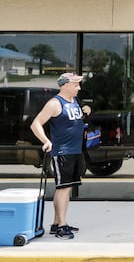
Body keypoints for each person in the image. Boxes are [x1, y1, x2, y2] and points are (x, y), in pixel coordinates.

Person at [30, 72, 91, 239]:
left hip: (75, 151)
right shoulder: (55, 103)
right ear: (65, 85)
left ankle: (57, 223)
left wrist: (85, 111)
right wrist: (46, 141)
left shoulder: (74, 101)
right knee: (62, 189)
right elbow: (35, 124)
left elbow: (72, 122)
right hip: (62, 152)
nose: (78, 88)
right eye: (75, 84)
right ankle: (61, 226)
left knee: (66, 188)